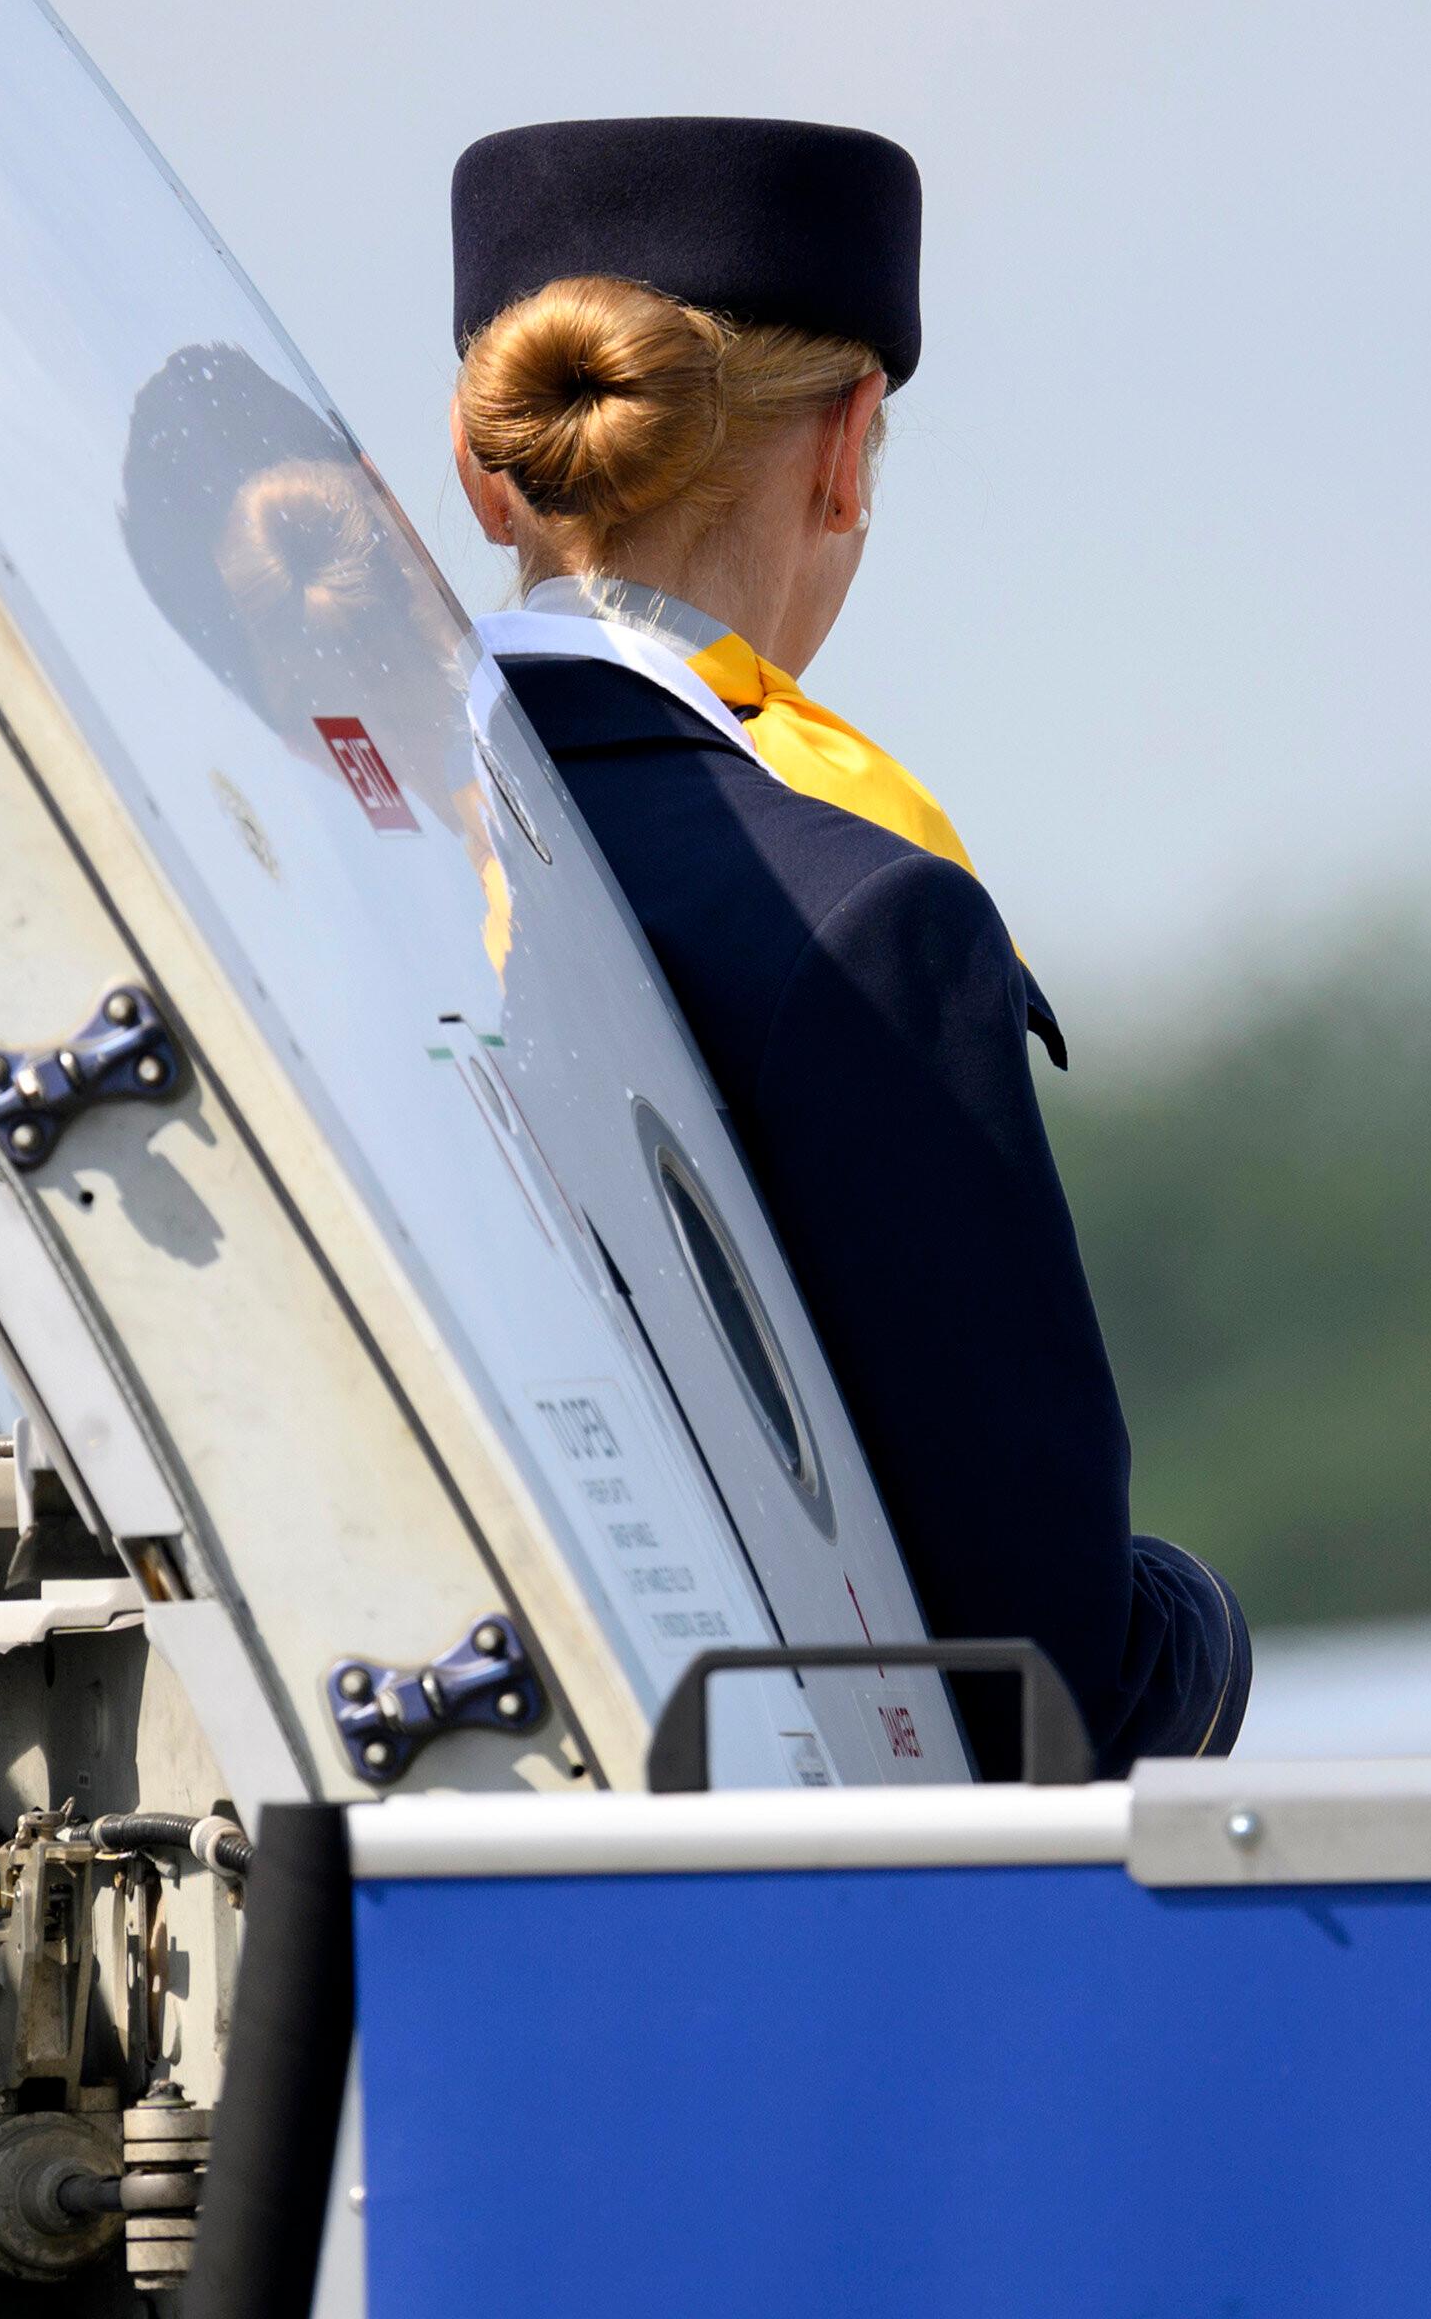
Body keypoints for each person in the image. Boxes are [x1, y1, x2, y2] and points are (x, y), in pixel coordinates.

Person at [448, 115, 1249, 1767]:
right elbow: (1040, 1689)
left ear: (484, 468)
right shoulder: (860, 917)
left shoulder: (323, 861)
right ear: (846, 448)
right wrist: (1202, 1637)